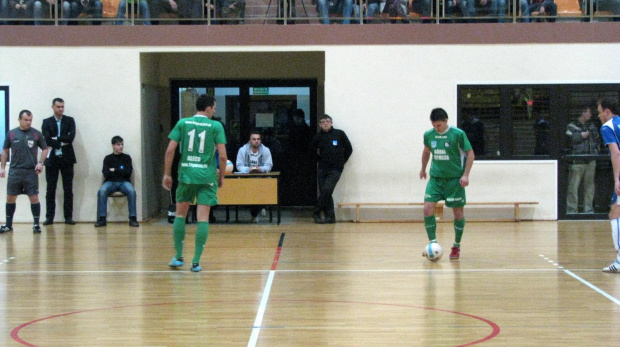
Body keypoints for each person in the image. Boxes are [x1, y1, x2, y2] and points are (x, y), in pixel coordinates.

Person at [163, 94, 227, 273]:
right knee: (203, 218)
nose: (214, 111)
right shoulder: (216, 126)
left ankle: (178, 256)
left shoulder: (182, 123)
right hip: (207, 177)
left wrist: (167, 174)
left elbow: (170, 151)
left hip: (186, 176)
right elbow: (222, 156)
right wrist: (221, 176)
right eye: (214, 108)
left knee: (180, 215)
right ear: (208, 109)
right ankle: (196, 262)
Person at [420, 108, 474, 260]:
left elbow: (470, 153)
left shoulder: (458, 134)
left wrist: (465, 175)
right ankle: (433, 244)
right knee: (427, 208)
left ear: (446, 121)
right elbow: (426, 152)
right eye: (434, 125)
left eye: (439, 125)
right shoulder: (429, 135)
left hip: (454, 181)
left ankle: (456, 246)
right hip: (436, 179)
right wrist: (423, 169)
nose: (436, 128)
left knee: (457, 213)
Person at [0, 110, 48, 234]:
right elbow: (5, 150)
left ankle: (36, 224)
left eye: (30, 120)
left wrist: (40, 163)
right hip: (15, 172)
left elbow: (45, 149)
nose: (28, 122)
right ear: (19, 119)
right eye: (26, 120)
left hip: (30, 172)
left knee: (34, 197)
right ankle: (8, 225)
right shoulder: (11, 134)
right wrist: (3, 167)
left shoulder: (36, 134)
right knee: (10, 197)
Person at [41, 98, 77, 226]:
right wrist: (61, 141)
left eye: (62, 106)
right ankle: (49, 217)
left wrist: (55, 138)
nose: (61, 109)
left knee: (68, 189)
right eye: (58, 107)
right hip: (52, 160)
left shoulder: (69, 120)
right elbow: (46, 139)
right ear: (53, 107)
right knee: (50, 189)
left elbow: (71, 137)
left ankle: (68, 217)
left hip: (67, 159)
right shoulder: (46, 122)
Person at [312, 114, 353, 224]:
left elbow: (349, 149)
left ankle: (316, 212)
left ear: (331, 123)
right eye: (323, 121)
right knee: (326, 192)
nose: (326, 123)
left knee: (326, 190)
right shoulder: (317, 137)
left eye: (328, 121)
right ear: (320, 124)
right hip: (322, 168)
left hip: (336, 169)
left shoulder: (339, 134)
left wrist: (341, 162)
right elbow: (311, 152)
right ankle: (330, 217)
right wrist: (319, 160)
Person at [95, 136, 139, 228]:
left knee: (132, 191)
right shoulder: (108, 158)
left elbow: (128, 173)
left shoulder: (127, 158)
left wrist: (114, 169)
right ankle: (102, 218)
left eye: (122, 144)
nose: (121, 147)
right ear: (113, 146)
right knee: (102, 191)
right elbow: (106, 173)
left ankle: (133, 218)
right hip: (110, 182)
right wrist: (120, 170)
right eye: (118, 145)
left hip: (124, 182)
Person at [597, 99, 620, 273]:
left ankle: (619, 261)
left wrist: (617, 179)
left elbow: (616, 152)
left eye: (599, 112)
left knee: (615, 211)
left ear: (607, 111)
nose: (598, 116)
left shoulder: (608, 127)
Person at [566, 106, 600, 214]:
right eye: (589, 112)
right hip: (577, 160)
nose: (591, 115)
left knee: (590, 187)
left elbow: (597, 139)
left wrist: (596, 150)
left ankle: (588, 210)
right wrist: (581, 136)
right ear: (583, 113)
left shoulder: (592, 126)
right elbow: (569, 140)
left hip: (590, 160)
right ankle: (572, 211)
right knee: (573, 187)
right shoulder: (571, 126)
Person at [236, 130, 273, 223]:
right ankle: (258, 209)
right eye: (254, 139)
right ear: (249, 141)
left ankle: (260, 207)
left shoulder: (266, 150)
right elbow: (239, 166)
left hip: (262, 179)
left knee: (268, 185)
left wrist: (259, 169)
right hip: (247, 179)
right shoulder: (242, 150)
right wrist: (249, 169)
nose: (256, 141)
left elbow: (269, 166)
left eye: (258, 139)